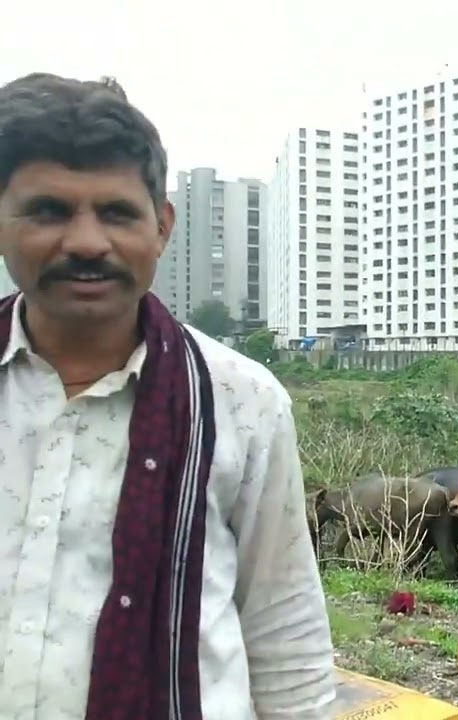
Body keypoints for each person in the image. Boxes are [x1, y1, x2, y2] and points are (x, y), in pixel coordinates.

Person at [0, 73, 335, 718]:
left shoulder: (242, 400)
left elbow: (283, 620)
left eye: (117, 213)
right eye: (49, 211)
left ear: (161, 226)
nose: (87, 242)